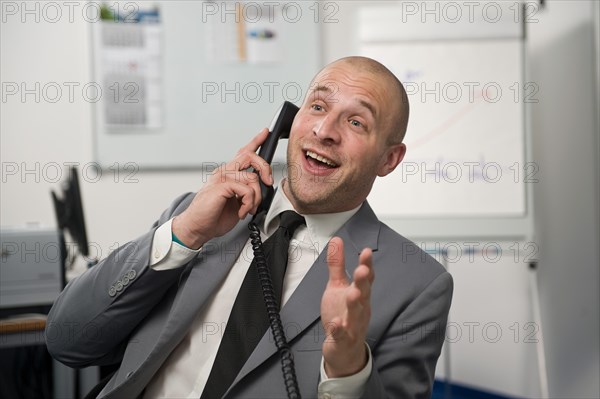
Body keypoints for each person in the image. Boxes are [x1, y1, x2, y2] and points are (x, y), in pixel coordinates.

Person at [46, 56, 453, 398]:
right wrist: (184, 234)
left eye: (356, 123)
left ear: (389, 160)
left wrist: (347, 368)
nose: (324, 131)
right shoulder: (200, 216)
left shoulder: (417, 285)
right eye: (317, 107)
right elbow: (68, 339)